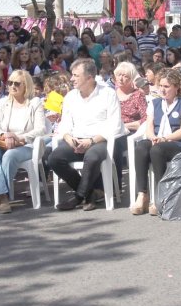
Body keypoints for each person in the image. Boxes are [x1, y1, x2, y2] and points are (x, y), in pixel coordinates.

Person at [49, 58, 125, 211]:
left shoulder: (108, 94)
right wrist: (69, 139)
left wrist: (91, 141)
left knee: (92, 156)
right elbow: (65, 125)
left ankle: (78, 197)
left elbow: (115, 126)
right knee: (54, 158)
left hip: (100, 140)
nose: (72, 79)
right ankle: (89, 194)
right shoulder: (70, 96)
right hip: (76, 140)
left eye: (76, 75)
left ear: (89, 77)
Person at [130, 68, 181, 216]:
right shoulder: (154, 103)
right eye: (161, 86)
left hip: (175, 142)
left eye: (167, 87)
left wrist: (165, 139)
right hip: (158, 138)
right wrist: (153, 137)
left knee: (157, 150)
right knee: (141, 147)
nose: (163, 90)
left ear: (176, 87)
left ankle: (161, 196)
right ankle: (143, 195)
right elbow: (149, 126)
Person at [0, 70, 47, 214]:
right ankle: (3, 197)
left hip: (28, 144)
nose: (12, 86)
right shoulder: (3, 103)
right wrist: (5, 135)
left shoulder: (35, 103)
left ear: (26, 85)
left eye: (17, 83)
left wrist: (19, 138)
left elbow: (41, 129)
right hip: (4, 142)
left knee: (10, 156)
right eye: (10, 83)